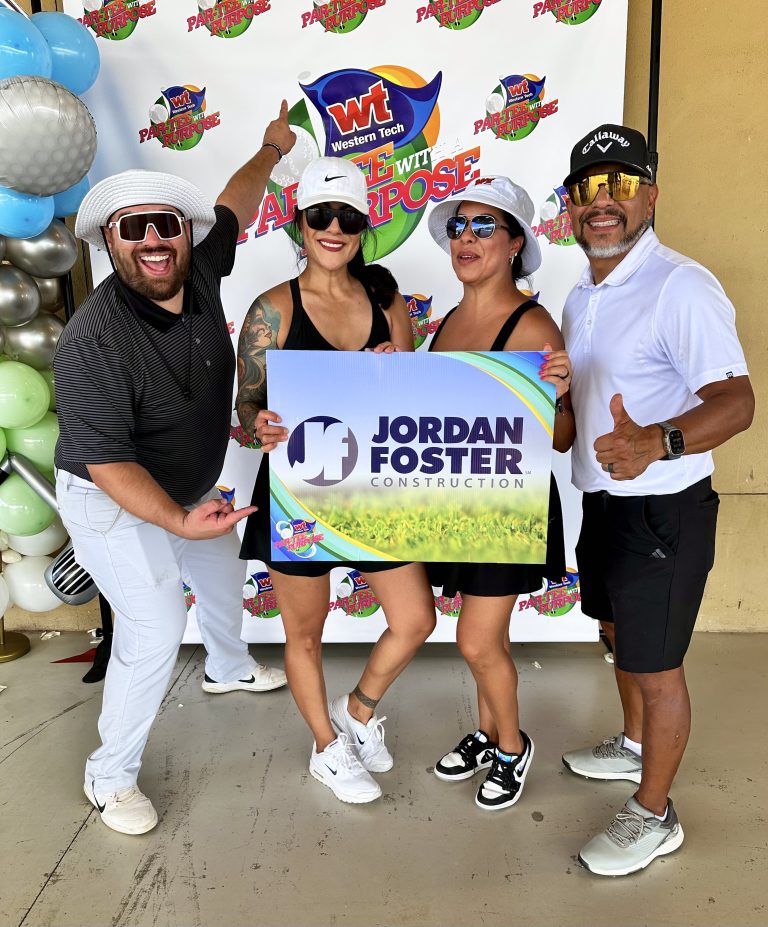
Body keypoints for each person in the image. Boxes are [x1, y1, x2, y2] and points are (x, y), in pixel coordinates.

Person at [54, 103, 297, 836]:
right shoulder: (91, 339)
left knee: (220, 576)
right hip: (113, 497)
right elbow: (109, 462)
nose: (154, 240)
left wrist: (270, 148)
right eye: (133, 229)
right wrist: (177, 519)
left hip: (187, 483)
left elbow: (236, 201)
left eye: (167, 225)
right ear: (109, 242)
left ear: (187, 234)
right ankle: (108, 776)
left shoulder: (200, 268)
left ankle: (227, 667)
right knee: (157, 626)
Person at [559, 124, 754, 875]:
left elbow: (736, 402)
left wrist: (659, 442)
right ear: (570, 205)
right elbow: (583, 404)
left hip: (663, 509)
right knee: (619, 635)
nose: (603, 200)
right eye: (589, 187)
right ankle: (635, 743)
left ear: (652, 196)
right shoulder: (582, 292)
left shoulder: (681, 286)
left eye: (622, 183)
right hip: (604, 500)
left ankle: (654, 812)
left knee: (658, 664)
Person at [236, 155, 437, 805]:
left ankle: (357, 710)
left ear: (363, 226)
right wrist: (259, 423)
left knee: (415, 618)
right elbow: (246, 407)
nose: (333, 228)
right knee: (304, 633)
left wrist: (394, 370)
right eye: (320, 215)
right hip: (299, 492)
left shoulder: (386, 301)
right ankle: (326, 746)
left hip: (375, 486)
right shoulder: (272, 309)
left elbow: (413, 402)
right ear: (299, 222)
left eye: (347, 218)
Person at [425, 175, 576, 810]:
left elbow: (562, 439)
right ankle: (488, 734)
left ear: (515, 243)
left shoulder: (532, 324)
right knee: (487, 638)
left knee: (476, 641)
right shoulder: (449, 321)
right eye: (459, 225)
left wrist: (560, 395)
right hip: (459, 500)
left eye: (484, 226)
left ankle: (512, 747)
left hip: (509, 507)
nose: (466, 237)